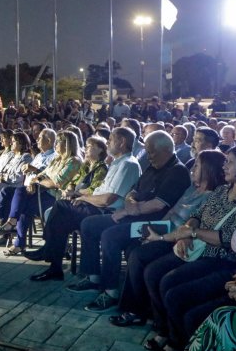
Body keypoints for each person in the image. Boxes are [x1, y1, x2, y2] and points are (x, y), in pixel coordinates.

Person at [140, 145, 236, 351]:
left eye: (230, 162)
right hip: (198, 248)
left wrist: (194, 233)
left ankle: (178, 344)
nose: (224, 166)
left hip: (223, 260)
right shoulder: (220, 191)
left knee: (174, 290)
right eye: (224, 161)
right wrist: (188, 233)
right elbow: (197, 215)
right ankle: (167, 333)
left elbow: (230, 240)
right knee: (153, 272)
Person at [69, 131, 191, 312]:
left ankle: (110, 291)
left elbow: (158, 204)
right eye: (148, 151)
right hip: (133, 216)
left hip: (154, 225)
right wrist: (130, 203)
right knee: (89, 224)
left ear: (166, 150)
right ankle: (93, 276)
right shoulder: (153, 166)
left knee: (110, 236)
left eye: (151, 152)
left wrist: (130, 209)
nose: (148, 156)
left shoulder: (177, 171)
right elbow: (132, 191)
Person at [108, 150, 226, 329]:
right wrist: (154, 232)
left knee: (139, 256)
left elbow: (196, 223)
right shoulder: (192, 188)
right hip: (166, 229)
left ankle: (136, 310)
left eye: (197, 165)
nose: (192, 169)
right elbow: (172, 212)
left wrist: (162, 238)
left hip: (178, 238)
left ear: (209, 169)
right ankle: (140, 306)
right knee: (131, 245)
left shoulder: (213, 195)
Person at [24, 128, 141, 280]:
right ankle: (55, 267)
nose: (108, 142)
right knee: (60, 220)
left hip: (106, 212)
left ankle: (49, 253)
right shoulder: (117, 163)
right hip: (96, 206)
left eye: (111, 139)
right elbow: (99, 191)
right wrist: (78, 195)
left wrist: (83, 198)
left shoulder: (127, 164)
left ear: (122, 142)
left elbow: (107, 199)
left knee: (61, 206)